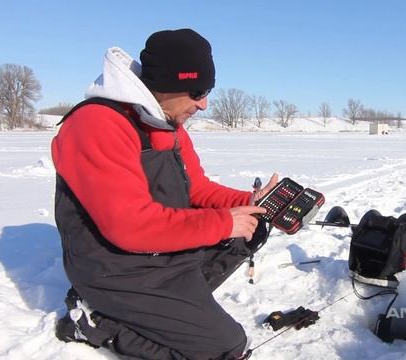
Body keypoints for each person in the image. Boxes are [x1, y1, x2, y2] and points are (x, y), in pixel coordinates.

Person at [52, 28, 278, 360]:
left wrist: (248, 202)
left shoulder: (167, 125)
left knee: (251, 230)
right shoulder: (97, 124)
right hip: (113, 267)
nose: (204, 104)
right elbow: (129, 225)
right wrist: (223, 223)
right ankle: (94, 322)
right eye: (198, 91)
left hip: (154, 253)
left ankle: (175, 305)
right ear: (168, 84)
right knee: (225, 348)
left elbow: (197, 189)